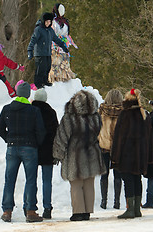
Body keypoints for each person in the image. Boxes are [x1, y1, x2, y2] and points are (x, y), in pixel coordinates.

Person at [0, 82, 46, 223]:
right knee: (30, 179)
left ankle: (7, 211)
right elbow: (41, 131)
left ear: (17, 93)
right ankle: (30, 211)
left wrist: (8, 139)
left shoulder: (7, 109)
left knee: (9, 179)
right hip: (29, 147)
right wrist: (36, 143)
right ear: (28, 95)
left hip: (12, 147)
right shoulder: (34, 110)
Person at [53, 90, 106, 221]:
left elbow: (62, 137)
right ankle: (87, 211)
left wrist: (57, 154)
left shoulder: (69, 118)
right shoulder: (96, 117)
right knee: (89, 183)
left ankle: (78, 212)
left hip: (74, 156)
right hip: (92, 154)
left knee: (76, 184)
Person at [111, 88, 153, 219]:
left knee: (128, 180)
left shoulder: (125, 114)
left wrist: (115, 157)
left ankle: (130, 209)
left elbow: (118, 137)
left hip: (127, 154)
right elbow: (149, 137)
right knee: (137, 179)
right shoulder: (144, 114)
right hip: (140, 154)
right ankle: (136, 209)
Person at [31, 89, 59, 219]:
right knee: (47, 181)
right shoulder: (51, 112)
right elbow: (56, 132)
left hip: (33, 149)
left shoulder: (30, 110)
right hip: (48, 151)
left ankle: (30, 206)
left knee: (31, 180)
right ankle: (47, 208)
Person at [27, 12, 69, 89]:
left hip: (47, 52)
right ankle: (38, 83)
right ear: (43, 21)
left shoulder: (50, 30)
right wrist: (30, 51)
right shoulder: (38, 29)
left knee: (47, 67)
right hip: (39, 53)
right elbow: (33, 40)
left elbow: (56, 39)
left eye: (49, 22)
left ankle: (45, 81)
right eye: (46, 22)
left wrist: (63, 46)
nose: (48, 23)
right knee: (41, 69)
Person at [98, 89, 123, 209]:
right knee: (118, 175)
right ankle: (117, 202)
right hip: (118, 147)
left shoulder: (101, 111)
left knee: (104, 174)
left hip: (103, 146)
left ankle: (104, 201)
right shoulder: (123, 112)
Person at [48, 3, 78, 83]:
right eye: (60, 9)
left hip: (64, 48)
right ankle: (54, 82)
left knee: (64, 66)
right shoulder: (52, 22)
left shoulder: (65, 22)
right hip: (54, 48)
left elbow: (67, 34)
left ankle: (65, 82)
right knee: (55, 66)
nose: (62, 11)